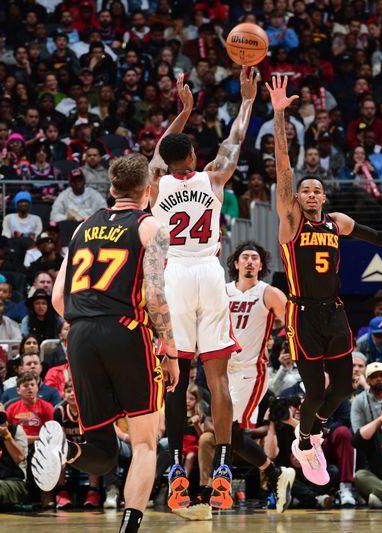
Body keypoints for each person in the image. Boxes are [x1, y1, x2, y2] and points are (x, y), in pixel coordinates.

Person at [267, 74, 382, 486]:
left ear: (324, 197)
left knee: (340, 390)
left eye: (318, 190)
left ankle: (310, 435)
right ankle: (305, 439)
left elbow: (379, 238)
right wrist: (280, 117)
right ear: (296, 199)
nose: (312, 194)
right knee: (315, 389)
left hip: (333, 311)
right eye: (306, 190)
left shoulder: (338, 222)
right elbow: (284, 169)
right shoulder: (290, 222)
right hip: (301, 314)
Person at [31, 153, 179, 533]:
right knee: (146, 444)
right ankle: (129, 528)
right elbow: (155, 296)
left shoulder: (81, 228)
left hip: (79, 334)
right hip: (126, 330)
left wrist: (91, 320)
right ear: (148, 191)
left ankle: (66, 449)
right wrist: (171, 353)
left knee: (103, 452)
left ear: (111, 190)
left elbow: (59, 300)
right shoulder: (151, 227)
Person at [148, 71, 259, 511]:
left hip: (173, 274)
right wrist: (248, 100)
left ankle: (176, 469)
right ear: (195, 154)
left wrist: (184, 110)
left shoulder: (156, 181)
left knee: (177, 380)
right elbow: (234, 139)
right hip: (210, 274)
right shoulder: (214, 176)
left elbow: (159, 151)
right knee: (217, 379)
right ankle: (224, 471)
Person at [183, 241, 295, 519]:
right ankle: (273, 471)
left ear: (261, 265)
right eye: (244, 257)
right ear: (234, 263)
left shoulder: (268, 293)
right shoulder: (222, 292)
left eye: (254, 258)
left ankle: (207, 497)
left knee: (228, 431)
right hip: (220, 369)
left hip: (249, 371)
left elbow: (292, 325)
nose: (249, 262)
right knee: (229, 435)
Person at [5, 372, 54, 444]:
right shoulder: (11, 408)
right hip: (18, 446)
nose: (30, 387)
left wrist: (27, 439)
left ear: (37, 388)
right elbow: (7, 431)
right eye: (25, 386)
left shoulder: (47, 407)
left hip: (42, 445)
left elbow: (50, 434)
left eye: (32, 385)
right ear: (18, 390)